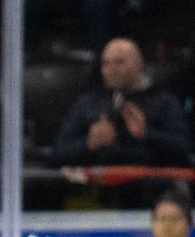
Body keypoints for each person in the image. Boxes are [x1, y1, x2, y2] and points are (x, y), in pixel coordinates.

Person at [50, 37, 193, 210]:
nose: (111, 69)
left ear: (139, 65)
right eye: (106, 63)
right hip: (96, 193)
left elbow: (184, 148)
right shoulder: (87, 103)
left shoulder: (164, 101)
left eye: (119, 62)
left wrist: (146, 134)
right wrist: (89, 143)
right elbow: (58, 154)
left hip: (152, 194)